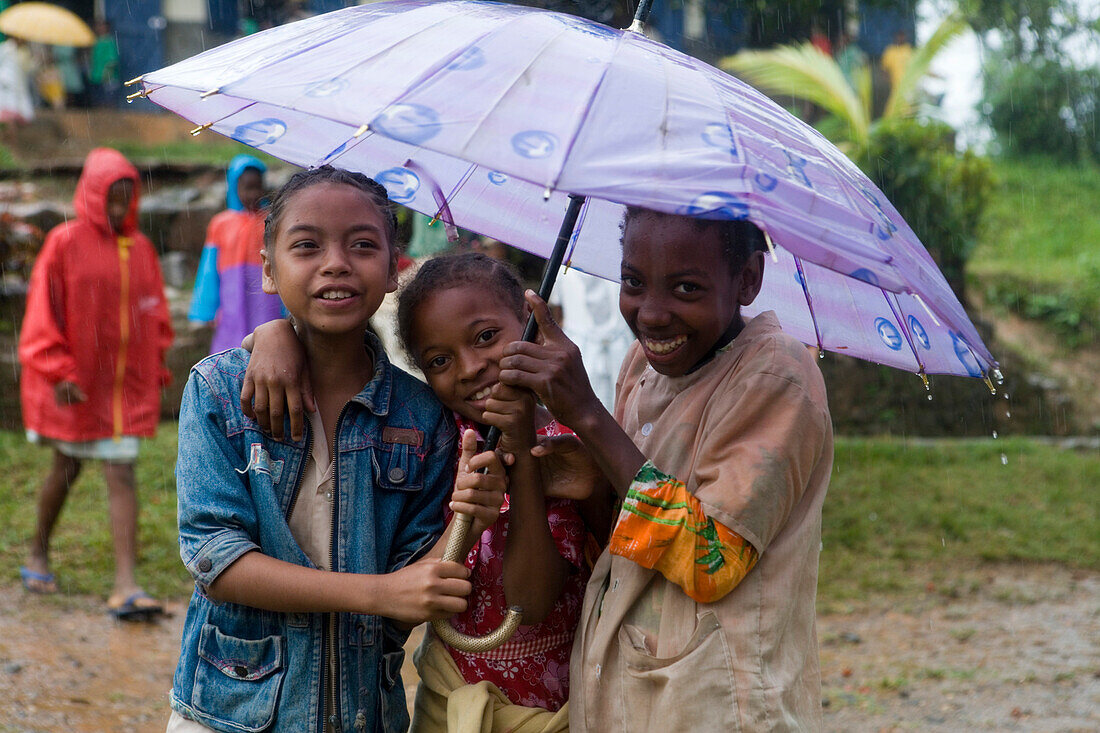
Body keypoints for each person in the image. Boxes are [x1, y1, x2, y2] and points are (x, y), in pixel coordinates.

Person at [167, 166, 506, 733]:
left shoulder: (423, 419)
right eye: (307, 245)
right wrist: (375, 593)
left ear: (395, 267)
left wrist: (468, 516)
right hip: (229, 715)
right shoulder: (220, 393)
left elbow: (420, 583)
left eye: (362, 245)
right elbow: (216, 559)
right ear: (270, 270)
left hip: (360, 713)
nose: (336, 263)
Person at [498, 207, 834, 731]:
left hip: (718, 706)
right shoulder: (641, 365)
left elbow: (709, 559)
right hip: (630, 695)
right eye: (633, 282)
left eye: (685, 289)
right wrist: (586, 478)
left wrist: (587, 414)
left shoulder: (778, 376)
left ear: (747, 280)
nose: (651, 313)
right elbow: (628, 535)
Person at [395, 253, 591, 731]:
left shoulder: (566, 451)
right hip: (452, 702)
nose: (469, 368)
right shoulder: (432, 437)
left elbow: (530, 603)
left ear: (530, 324)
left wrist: (523, 455)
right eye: (439, 360)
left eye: (486, 337)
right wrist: (275, 336)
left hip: (547, 712)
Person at [18, 148, 174, 618]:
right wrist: (58, 371)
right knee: (65, 467)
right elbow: (43, 314)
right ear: (90, 194)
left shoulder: (141, 249)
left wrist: (157, 365)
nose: (118, 209)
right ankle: (37, 552)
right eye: (111, 198)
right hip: (79, 383)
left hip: (121, 389)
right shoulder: (64, 243)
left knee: (120, 470)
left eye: (126, 199)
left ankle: (126, 583)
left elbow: (153, 312)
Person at [188, 154, 283, 354]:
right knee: (230, 350)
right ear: (234, 187)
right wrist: (204, 312)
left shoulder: (271, 221)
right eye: (247, 188)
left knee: (268, 342)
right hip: (230, 297)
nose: (253, 193)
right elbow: (209, 270)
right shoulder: (220, 224)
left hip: (265, 297)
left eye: (257, 187)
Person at [88, 20, 120, 108]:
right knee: (98, 100)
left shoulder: (109, 42)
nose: (99, 28)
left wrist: (107, 72)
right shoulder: (96, 41)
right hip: (96, 75)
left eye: (102, 26)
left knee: (108, 99)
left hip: (107, 76)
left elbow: (113, 60)